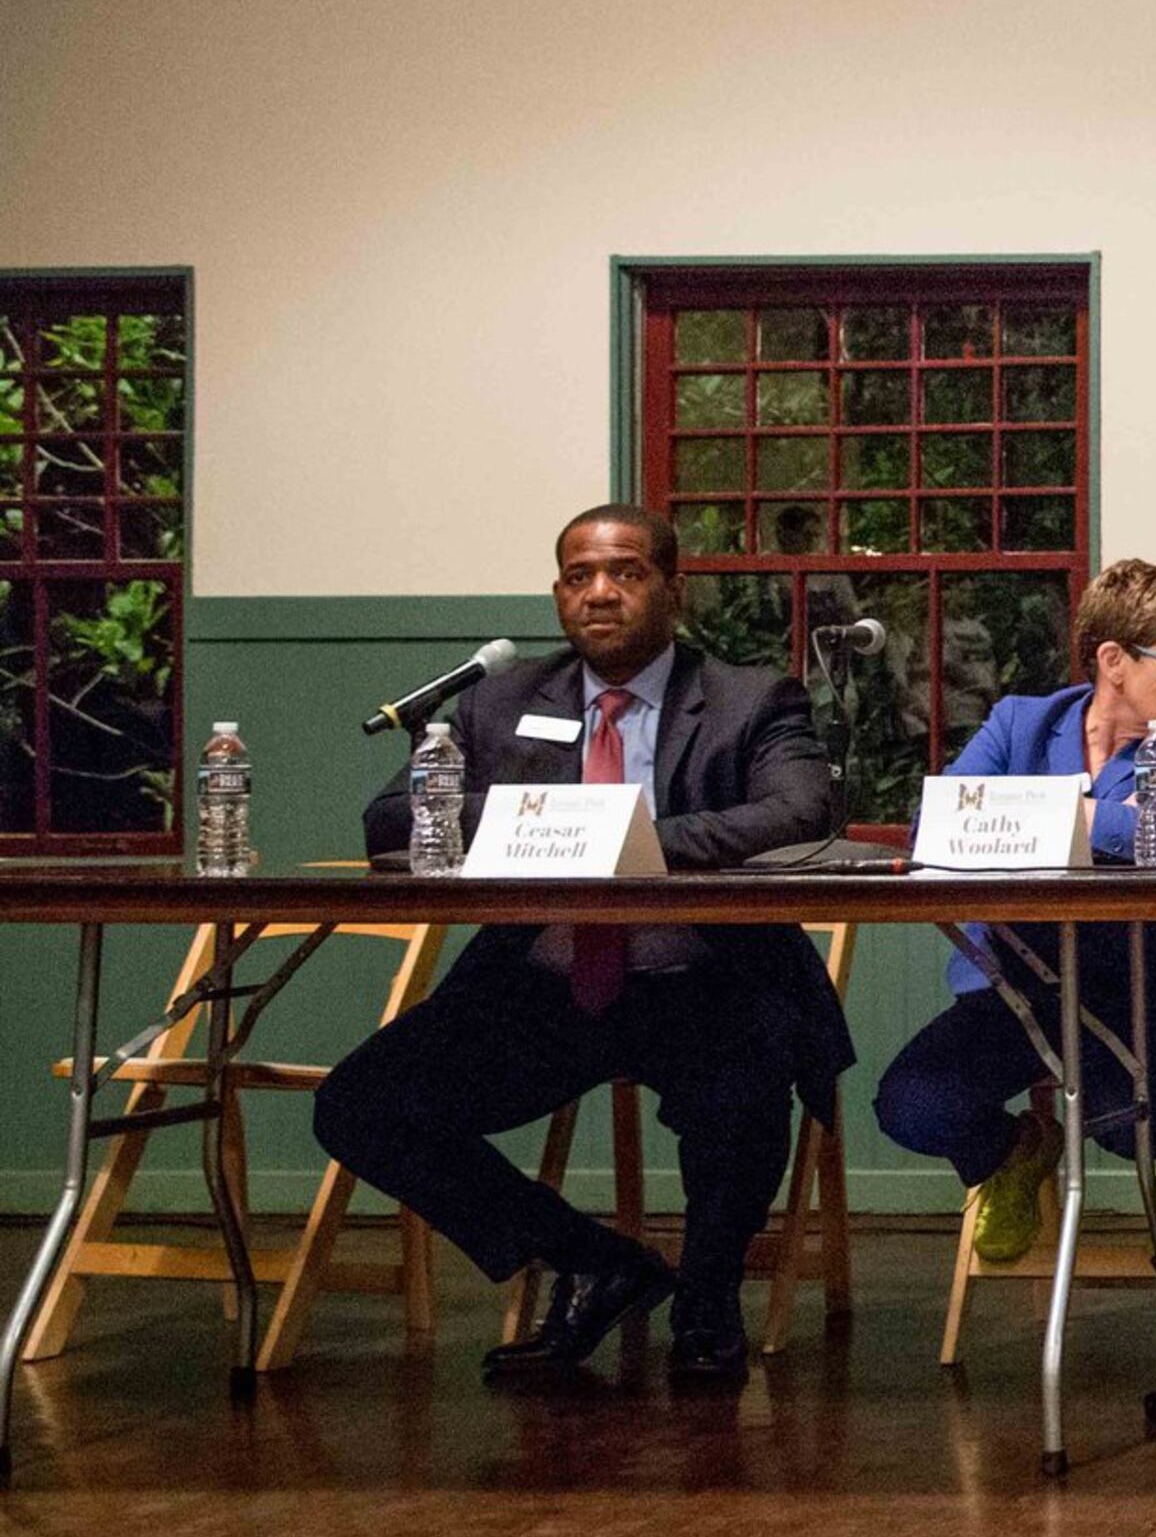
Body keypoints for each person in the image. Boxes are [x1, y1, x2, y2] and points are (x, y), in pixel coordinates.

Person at [311, 504, 850, 1385]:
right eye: (577, 576)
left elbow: (799, 811)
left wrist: (632, 840)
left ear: (673, 587)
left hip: (704, 973)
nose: (599, 592)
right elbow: (392, 819)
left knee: (748, 1087)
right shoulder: (499, 700)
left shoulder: (751, 698)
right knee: (363, 1103)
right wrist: (546, 824)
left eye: (626, 572)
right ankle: (591, 1259)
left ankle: (707, 1302)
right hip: (545, 981)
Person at [871, 558, 1156, 1264]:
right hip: (1015, 989)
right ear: (1113, 660)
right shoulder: (1021, 722)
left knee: (1120, 1114)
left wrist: (1033, 815)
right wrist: (1097, 814)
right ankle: (1010, 1151)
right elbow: (937, 824)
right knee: (910, 1104)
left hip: (1143, 993)